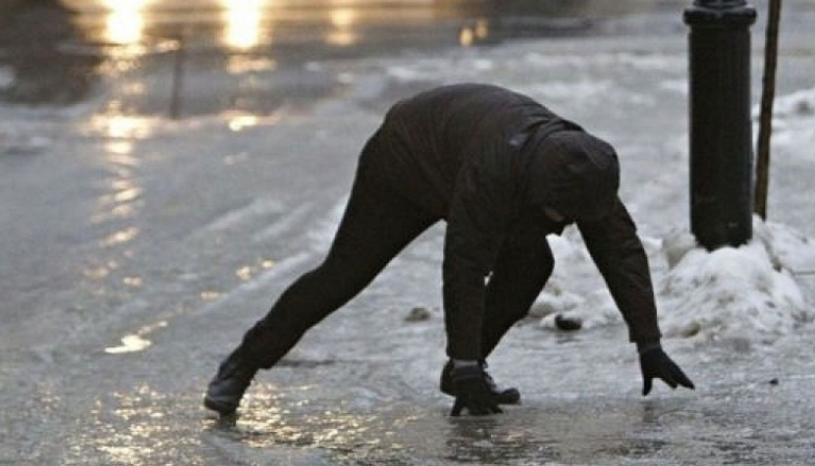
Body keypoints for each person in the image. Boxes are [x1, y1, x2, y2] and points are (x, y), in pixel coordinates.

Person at [204, 83, 694, 417]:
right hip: (405, 161)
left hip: (463, 148)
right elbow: (465, 265)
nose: (566, 227)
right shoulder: (496, 175)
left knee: (533, 262)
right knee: (344, 274)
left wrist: (648, 341)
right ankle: (244, 362)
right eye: (559, 218)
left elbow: (621, 250)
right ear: (538, 192)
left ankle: (466, 366)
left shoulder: (584, 169)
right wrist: (463, 363)